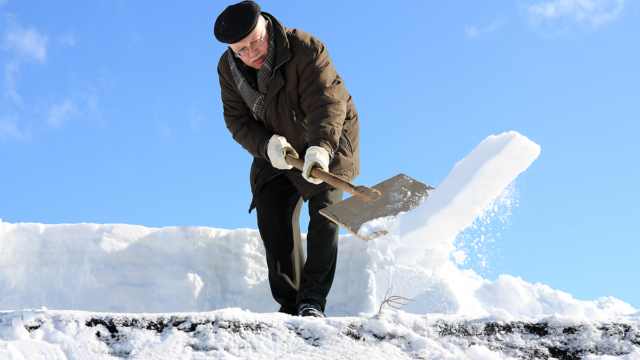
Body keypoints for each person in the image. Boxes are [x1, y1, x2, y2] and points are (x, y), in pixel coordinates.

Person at [214, 1, 359, 318]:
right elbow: (238, 121)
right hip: (276, 146)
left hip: (328, 135)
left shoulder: (304, 47)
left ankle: (312, 299)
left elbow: (326, 102)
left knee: (326, 210)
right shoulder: (228, 70)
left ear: (265, 26)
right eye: (241, 50)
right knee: (271, 213)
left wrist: (320, 148)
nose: (252, 54)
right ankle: (290, 303)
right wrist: (266, 145)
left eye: (256, 42)